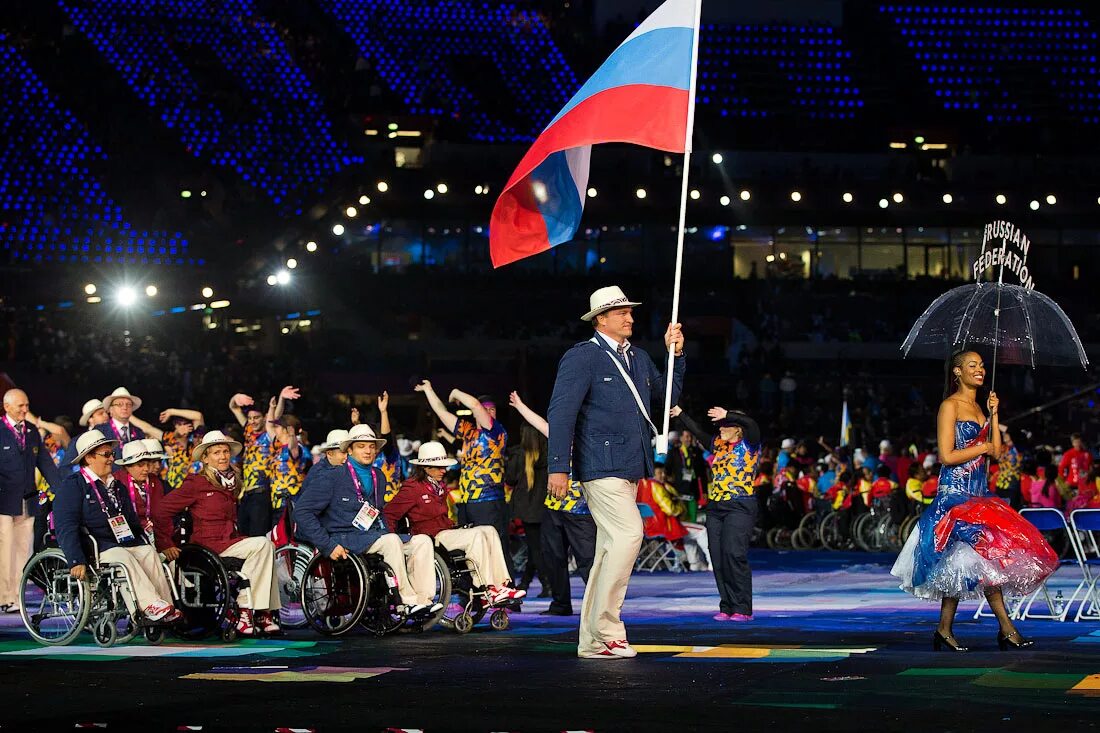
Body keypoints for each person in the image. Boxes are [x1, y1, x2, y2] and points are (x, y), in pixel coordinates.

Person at [547, 285, 685, 659]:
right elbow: (561, 412)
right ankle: (608, 630)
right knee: (629, 534)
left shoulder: (638, 357)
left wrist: (675, 355)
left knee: (609, 549)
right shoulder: (583, 357)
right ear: (601, 319)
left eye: (630, 311)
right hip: (599, 464)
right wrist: (558, 467)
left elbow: (667, 399)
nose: (630, 317)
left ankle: (592, 640)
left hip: (630, 465)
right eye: (622, 312)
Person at [891, 350, 1058, 651]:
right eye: (972, 365)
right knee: (980, 558)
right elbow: (946, 455)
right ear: (957, 372)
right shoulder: (950, 406)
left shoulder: (981, 408)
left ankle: (946, 630)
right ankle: (1005, 629)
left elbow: (997, 452)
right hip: (955, 495)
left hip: (979, 495)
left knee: (966, 564)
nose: (980, 370)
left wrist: (994, 415)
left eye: (981, 365)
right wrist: (981, 448)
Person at [293, 424, 441, 617]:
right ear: (349, 450)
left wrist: (388, 532)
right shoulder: (331, 477)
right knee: (391, 541)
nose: (368, 450)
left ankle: (424, 601)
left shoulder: (378, 476)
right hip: (344, 537)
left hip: (373, 535)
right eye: (361, 446)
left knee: (422, 541)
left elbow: (376, 511)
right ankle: (406, 601)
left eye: (371, 446)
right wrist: (327, 545)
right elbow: (302, 512)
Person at [152, 430, 282, 636]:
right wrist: (165, 543)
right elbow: (160, 511)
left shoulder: (232, 481)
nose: (223, 456)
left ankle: (261, 612)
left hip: (229, 540)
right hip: (206, 546)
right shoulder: (196, 482)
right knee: (263, 544)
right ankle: (246, 610)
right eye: (216, 452)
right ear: (205, 458)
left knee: (267, 546)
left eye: (225, 451)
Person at [55, 430, 180, 623]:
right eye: (106, 454)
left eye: (112, 454)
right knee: (122, 556)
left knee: (147, 552)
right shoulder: (73, 485)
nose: (111, 459)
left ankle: (166, 607)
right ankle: (148, 606)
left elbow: (131, 522)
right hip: (94, 546)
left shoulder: (117, 486)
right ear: (89, 458)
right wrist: (75, 559)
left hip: (121, 541)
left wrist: (142, 541)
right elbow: (66, 525)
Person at [383, 442, 526, 606]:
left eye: (444, 466)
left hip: (445, 532)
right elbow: (390, 513)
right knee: (476, 535)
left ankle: (501, 586)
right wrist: (396, 542)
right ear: (426, 467)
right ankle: (487, 588)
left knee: (489, 530)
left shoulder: (440, 486)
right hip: (430, 538)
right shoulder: (412, 488)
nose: (444, 471)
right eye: (439, 467)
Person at [509, 391, 596, 617]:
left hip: (579, 510)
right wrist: (520, 406)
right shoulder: (561, 436)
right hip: (554, 507)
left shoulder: (592, 439)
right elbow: (540, 424)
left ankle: (599, 607)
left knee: (587, 560)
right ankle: (560, 604)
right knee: (553, 557)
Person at [674, 405, 761, 621]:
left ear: (737, 429)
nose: (720, 428)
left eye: (725, 425)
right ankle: (727, 606)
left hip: (740, 506)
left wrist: (728, 415)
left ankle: (743, 608)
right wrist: (680, 413)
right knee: (718, 557)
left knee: (734, 554)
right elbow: (698, 432)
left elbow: (751, 423)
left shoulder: (749, 444)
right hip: (716, 508)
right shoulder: (719, 445)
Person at [415, 381, 510, 563]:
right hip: (467, 501)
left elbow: (474, 404)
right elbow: (442, 412)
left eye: (492, 409)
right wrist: (429, 390)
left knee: (494, 549)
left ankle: (503, 580)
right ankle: (472, 581)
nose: (488, 412)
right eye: (485, 409)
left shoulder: (496, 432)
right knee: (468, 550)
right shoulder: (468, 432)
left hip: (488, 502)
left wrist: (456, 392)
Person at [0, 389, 63, 612]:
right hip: (3, 501)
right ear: (7, 407)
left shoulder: (31, 431)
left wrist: (61, 491)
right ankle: (3, 597)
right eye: (20, 406)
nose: (25, 409)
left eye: (27, 405)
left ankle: (15, 597)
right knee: (4, 548)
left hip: (28, 500)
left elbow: (45, 463)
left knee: (22, 550)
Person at [228, 387, 298, 537]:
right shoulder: (248, 432)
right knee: (241, 535)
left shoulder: (269, 435)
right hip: (245, 493)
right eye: (250, 418)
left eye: (256, 418)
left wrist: (281, 399)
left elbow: (274, 418)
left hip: (262, 492)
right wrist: (236, 396)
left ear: (264, 418)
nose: (252, 421)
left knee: (257, 536)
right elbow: (233, 407)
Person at [636, 462, 710, 571]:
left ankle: (695, 563)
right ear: (653, 474)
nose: (663, 475)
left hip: (648, 528)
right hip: (665, 526)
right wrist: (680, 508)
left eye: (664, 473)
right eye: (659, 473)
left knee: (689, 534)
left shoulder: (642, 486)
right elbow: (670, 510)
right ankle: (712, 563)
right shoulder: (657, 487)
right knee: (702, 530)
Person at [504, 423, 549, 595]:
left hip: (527, 506)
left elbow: (510, 479)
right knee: (535, 546)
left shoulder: (519, 454)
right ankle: (526, 581)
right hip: (544, 505)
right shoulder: (547, 454)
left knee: (535, 547)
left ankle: (546, 584)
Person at [113, 440, 165, 541]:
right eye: (141, 465)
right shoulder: (116, 482)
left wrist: (166, 543)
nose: (146, 469)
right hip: (127, 537)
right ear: (127, 466)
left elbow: (161, 516)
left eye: (147, 464)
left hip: (156, 534)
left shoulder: (155, 481)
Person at [101, 388, 148, 458]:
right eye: (119, 404)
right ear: (111, 409)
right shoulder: (101, 431)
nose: (125, 407)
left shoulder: (139, 433)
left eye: (128, 404)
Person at [995, 428, 1022, 509]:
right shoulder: (1003, 448)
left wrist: (995, 423)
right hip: (1000, 485)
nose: (1004, 435)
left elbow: (1010, 429)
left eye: (1006, 433)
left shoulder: (1017, 448)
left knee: (1011, 510)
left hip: (1012, 486)